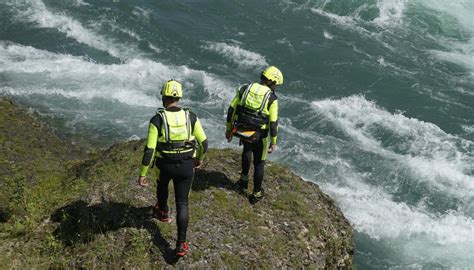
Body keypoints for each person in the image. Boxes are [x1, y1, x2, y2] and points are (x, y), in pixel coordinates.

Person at [138, 79, 208, 257]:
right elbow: (204, 142)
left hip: (165, 165)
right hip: (186, 166)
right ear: (179, 97)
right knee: (183, 203)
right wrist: (198, 159)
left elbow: (150, 150)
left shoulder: (157, 119)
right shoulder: (191, 116)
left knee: (162, 184)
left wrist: (143, 174)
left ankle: (162, 211)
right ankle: (181, 244)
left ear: (163, 96)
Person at [225, 66, 283, 204]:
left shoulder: (244, 88)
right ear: (271, 82)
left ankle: (243, 181)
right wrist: (273, 141)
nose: (276, 87)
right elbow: (273, 123)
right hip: (259, 135)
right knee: (259, 163)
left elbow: (231, 109)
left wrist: (229, 129)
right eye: (276, 84)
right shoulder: (272, 99)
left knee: (246, 151)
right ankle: (256, 193)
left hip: (242, 130)